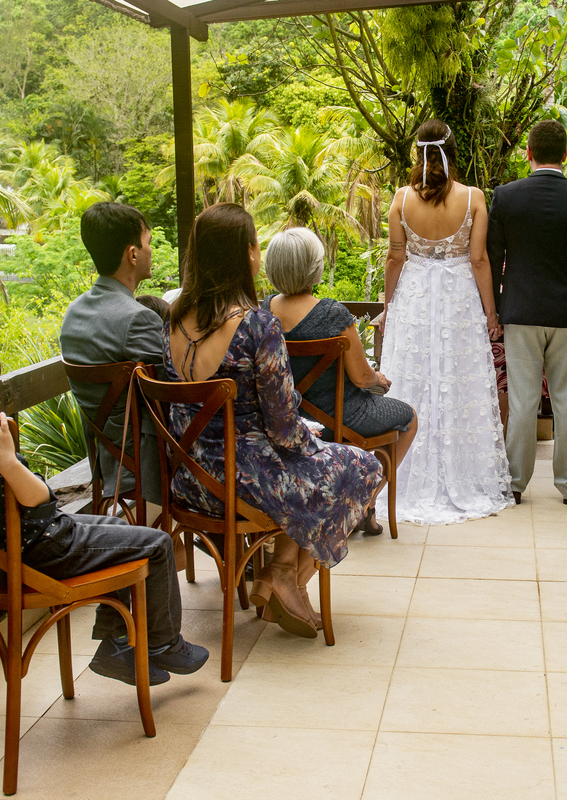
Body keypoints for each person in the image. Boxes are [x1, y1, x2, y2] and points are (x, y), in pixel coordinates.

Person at [0, 331, 206, 686]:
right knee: (156, 544)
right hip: (43, 546)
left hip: (2, 551)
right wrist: (7, 459)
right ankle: (163, 644)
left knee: (115, 536)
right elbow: (38, 499)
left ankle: (115, 647)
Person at [164, 203, 383, 638]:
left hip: (188, 480)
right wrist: (315, 442)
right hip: (242, 480)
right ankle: (285, 576)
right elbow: (284, 431)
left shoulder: (172, 321)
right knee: (363, 465)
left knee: (320, 459)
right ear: (247, 254)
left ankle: (282, 572)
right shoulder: (256, 326)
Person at [378, 119, 513, 524]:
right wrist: (492, 315)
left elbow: (395, 258)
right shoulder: (473, 198)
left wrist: (388, 305)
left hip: (415, 301)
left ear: (416, 153)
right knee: (460, 379)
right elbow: (478, 260)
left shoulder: (401, 199)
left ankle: (404, 475)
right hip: (459, 302)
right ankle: (465, 473)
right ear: (454, 152)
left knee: (413, 377)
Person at [262, 227, 418, 535]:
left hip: (292, 419)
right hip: (344, 416)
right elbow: (361, 378)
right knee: (409, 418)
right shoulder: (332, 313)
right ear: (314, 267)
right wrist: (378, 379)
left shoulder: (263, 312)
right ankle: (365, 502)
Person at [487, 119, 567, 506]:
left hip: (519, 313)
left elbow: (492, 258)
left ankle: (516, 483)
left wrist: (498, 313)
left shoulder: (505, 197)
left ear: (528, 153)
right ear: (566, 155)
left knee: (521, 400)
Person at [60, 202, 163, 507]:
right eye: (148, 243)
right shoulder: (139, 318)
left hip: (105, 459)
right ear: (133, 254)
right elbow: (172, 391)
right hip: (143, 463)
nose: (150, 251)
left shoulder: (74, 312)